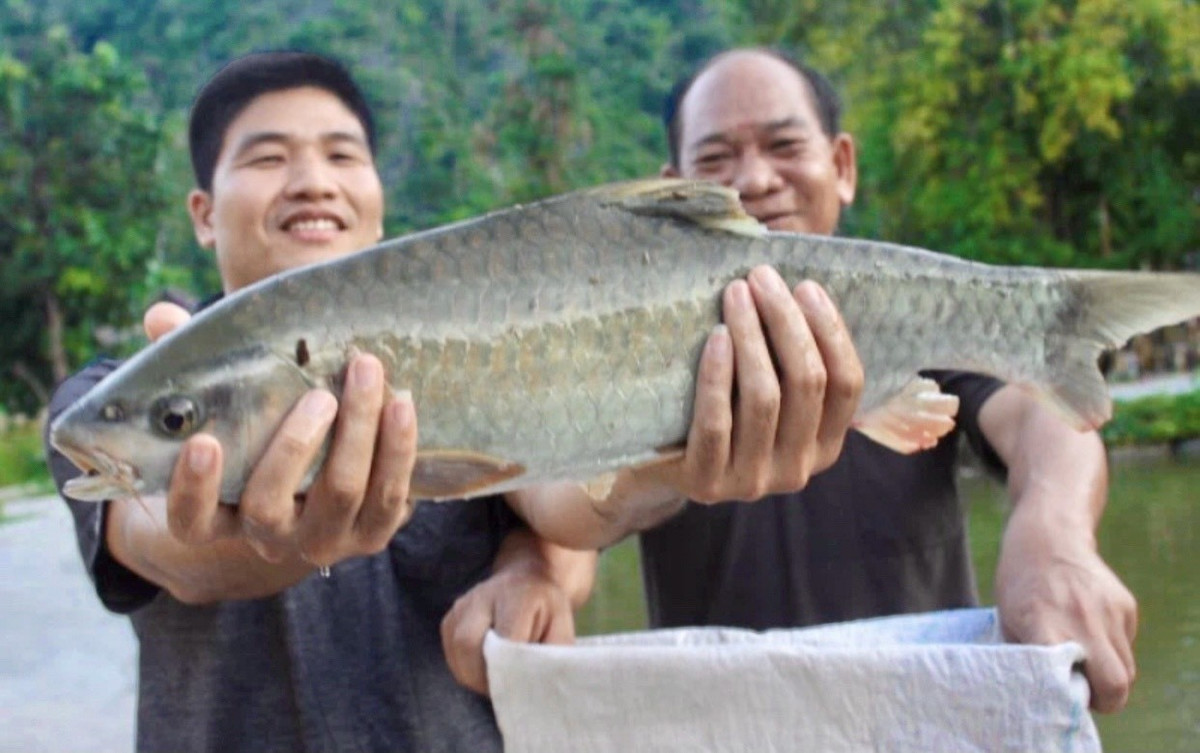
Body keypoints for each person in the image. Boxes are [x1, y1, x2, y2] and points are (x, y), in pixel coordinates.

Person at [444, 47, 1138, 715]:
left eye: (783, 145)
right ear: (671, 187)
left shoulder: (922, 312)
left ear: (842, 166)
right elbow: (570, 510)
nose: (754, 179)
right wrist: (530, 570)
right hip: (716, 723)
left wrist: (1057, 535)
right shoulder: (612, 332)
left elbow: (1043, 422)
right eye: (716, 159)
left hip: (924, 711)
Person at [44, 51, 596, 752]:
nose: (312, 182)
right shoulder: (107, 402)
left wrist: (534, 569)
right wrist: (253, 531)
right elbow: (168, 551)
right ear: (204, 215)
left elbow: (559, 495)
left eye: (341, 155)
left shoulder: (477, 345)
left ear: (377, 203)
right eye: (268, 157)